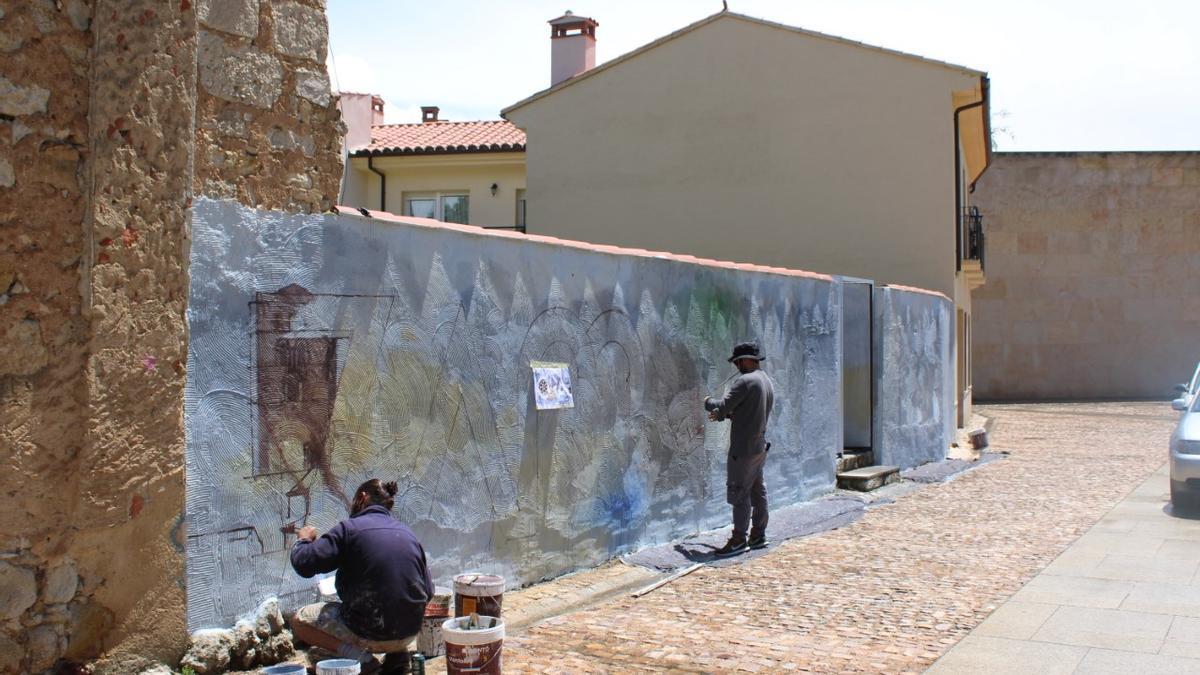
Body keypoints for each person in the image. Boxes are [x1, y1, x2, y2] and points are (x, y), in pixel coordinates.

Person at [290, 478, 434, 672]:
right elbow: (429, 591)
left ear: (362, 497)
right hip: (409, 632)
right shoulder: (407, 534)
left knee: (300, 620)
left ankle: (364, 660)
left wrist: (304, 540)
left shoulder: (349, 529)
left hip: (369, 631)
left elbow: (304, 564)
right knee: (390, 600)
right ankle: (397, 654)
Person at [704, 341, 774, 557]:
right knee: (757, 490)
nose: (736, 367)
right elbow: (748, 412)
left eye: (737, 363)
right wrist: (728, 414)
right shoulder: (766, 381)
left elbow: (722, 406)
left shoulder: (745, 382)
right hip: (759, 446)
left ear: (745, 360)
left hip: (743, 449)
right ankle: (758, 535)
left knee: (739, 493)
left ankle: (738, 540)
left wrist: (707, 402)